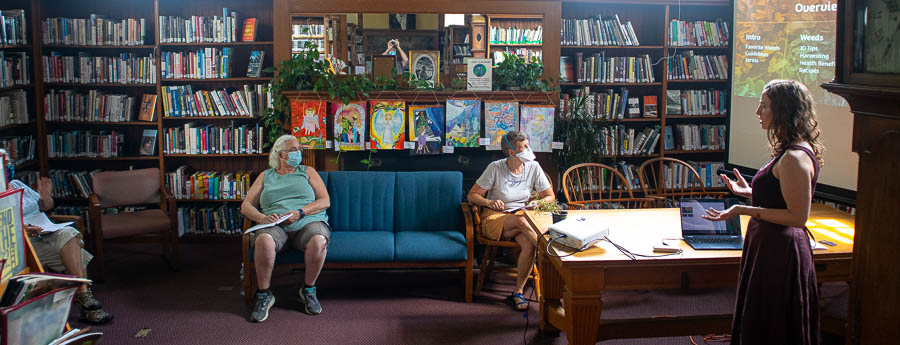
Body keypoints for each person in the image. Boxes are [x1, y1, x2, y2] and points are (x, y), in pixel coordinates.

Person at [702, 80, 825, 345]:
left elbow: (797, 217)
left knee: (773, 321)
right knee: (763, 317)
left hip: (780, 253)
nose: (758, 112)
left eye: (764, 105)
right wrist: (749, 193)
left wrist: (743, 209)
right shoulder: (792, 150)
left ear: (783, 110)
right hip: (770, 247)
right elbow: (782, 199)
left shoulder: (794, 157)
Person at [0, 149, 113, 324]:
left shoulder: (18, 185)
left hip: (45, 233)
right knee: (73, 246)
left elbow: (46, 206)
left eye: (9, 162)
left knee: (68, 233)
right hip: (23, 245)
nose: (8, 166)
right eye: (4, 163)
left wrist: (46, 196)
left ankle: (83, 299)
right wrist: (23, 228)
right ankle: (86, 302)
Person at [241, 135, 331, 322]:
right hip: (275, 226)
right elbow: (246, 205)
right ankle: (264, 294)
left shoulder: (308, 171)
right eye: (293, 150)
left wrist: (301, 212)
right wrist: (262, 217)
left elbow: (325, 201)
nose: (298, 153)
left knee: (319, 240)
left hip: (308, 222)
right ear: (280, 154)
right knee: (263, 240)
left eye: (299, 149)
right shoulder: (266, 176)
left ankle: (308, 290)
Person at [467, 130, 554, 311]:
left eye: (528, 145)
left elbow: (549, 196)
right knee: (522, 223)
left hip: (522, 216)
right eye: (524, 147)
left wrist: (537, 203)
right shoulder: (495, 168)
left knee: (528, 243)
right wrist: (489, 202)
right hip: (495, 218)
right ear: (512, 152)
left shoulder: (533, 167)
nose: (529, 150)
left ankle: (518, 292)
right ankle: (550, 255)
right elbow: (472, 196)